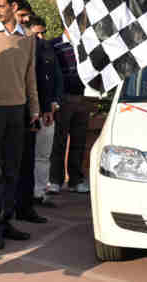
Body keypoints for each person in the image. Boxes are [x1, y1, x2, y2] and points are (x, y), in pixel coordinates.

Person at [0, 0, 39, 250]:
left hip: (18, 110)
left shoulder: (27, 38)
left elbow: (30, 76)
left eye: (1, 5)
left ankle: (5, 221)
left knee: (13, 170)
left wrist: (34, 108)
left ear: (14, 7)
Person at [18, 16, 62, 211]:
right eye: (37, 33)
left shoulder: (47, 48)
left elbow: (56, 78)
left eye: (43, 32)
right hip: (24, 110)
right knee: (22, 156)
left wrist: (52, 104)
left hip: (47, 111)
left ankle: (39, 193)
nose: (41, 36)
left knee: (43, 155)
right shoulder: (20, 49)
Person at [49, 29, 91, 194]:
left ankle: (76, 180)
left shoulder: (86, 45)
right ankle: (55, 180)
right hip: (63, 97)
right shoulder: (54, 45)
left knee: (79, 141)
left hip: (83, 97)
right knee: (58, 140)